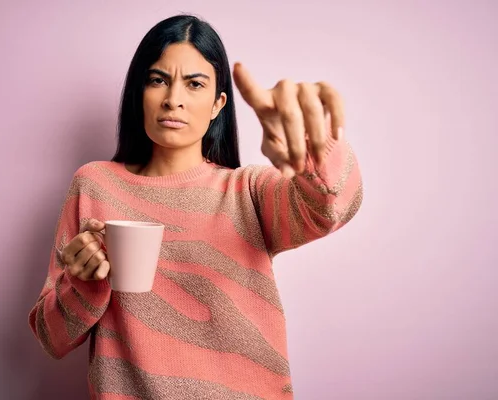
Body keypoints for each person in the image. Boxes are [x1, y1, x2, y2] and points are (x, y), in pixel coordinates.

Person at [29, 14, 363, 400]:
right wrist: (84, 283)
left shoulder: (247, 191)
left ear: (218, 103)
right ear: (140, 91)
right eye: (158, 80)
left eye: (195, 84)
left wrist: (311, 146)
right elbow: (51, 339)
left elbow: (332, 206)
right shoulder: (95, 185)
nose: (174, 99)